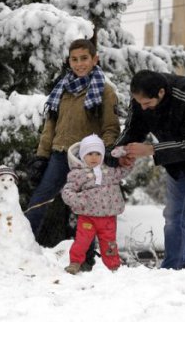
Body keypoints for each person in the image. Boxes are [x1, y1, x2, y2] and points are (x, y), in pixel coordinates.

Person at [112, 70, 185, 270]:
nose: (143, 108)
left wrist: (151, 149)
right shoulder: (141, 99)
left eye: (147, 104)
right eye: (139, 103)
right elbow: (133, 129)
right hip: (175, 157)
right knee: (173, 214)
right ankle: (171, 264)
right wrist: (120, 150)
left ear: (161, 93)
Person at [25, 39, 120, 270]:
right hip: (59, 154)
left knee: (87, 208)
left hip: (87, 161)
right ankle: (22, 247)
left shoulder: (104, 91)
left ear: (95, 59)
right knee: (41, 198)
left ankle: (85, 259)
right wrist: (41, 156)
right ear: (69, 61)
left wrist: (104, 154)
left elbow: (110, 127)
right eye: (74, 59)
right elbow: (50, 125)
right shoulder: (62, 88)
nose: (79, 64)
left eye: (84, 59)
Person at [61, 134, 132, 274]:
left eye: (97, 154)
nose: (94, 157)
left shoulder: (110, 171)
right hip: (88, 217)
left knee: (109, 244)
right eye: (89, 154)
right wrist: (76, 200)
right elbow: (67, 191)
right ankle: (75, 263)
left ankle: (114, 266)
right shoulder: (78, 174)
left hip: (108, 218)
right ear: (82, 156)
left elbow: (125, 169)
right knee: (82, 241)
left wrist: (125, 154)